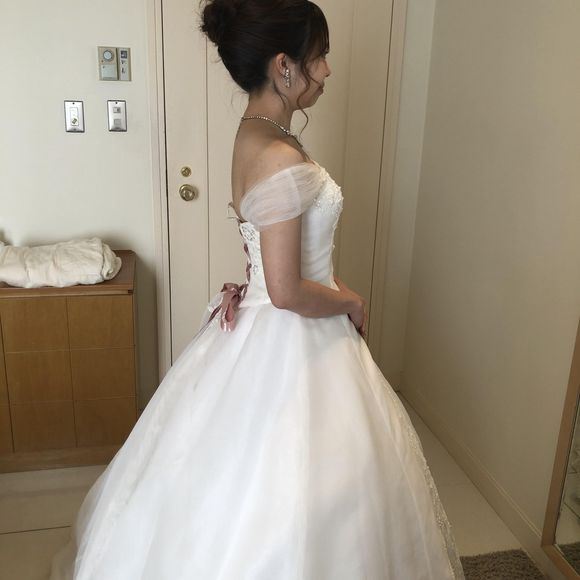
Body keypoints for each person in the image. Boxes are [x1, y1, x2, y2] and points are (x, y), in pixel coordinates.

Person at [49, 1, 465, 578]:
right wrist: (350, 300)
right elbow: (288, 291)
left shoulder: (254, 133)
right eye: (320, 56)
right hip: (294, 332)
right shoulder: (278, 155)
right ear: (284, 66)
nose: (327, 70)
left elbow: (276, 259)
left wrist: (273, 283)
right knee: (305, 484)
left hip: (268, 315)